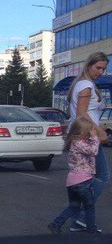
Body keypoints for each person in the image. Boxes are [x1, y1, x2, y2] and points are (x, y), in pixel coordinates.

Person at [67, 52, 110, 230]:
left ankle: (77, 219)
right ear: (88, 65)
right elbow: (81, 113)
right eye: (98, 67)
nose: (100, 71)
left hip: (82, 134)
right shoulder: (86, 85)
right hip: (88, 135)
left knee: (83, 178)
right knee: (103, 175)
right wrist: (99, 131)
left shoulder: (82, 83)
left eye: (104, 69)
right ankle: (83, 215)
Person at [48, 117, 103, 234]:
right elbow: (94, 152)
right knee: (89, 206)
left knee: (74, 207)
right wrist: (95, 137)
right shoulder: (79, 143)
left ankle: (56, 224)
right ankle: (92, 229)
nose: (91, 132)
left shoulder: (74, 142)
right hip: (83, 181)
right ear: (83, 131)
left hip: (72, 182)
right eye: (89, 130)